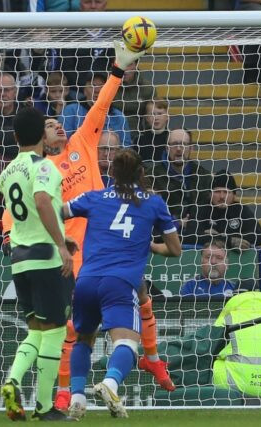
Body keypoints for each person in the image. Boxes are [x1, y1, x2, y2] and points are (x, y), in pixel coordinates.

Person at [2, 43, 175, 410]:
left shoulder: (82, 142)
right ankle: (66, 393)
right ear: (41, 140)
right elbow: (19, 210)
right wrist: (7, 234)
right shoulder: (42, 169)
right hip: (74, 255)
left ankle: (152, 357)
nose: (58, 126)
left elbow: (100, 107)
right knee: (74, 331)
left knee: (142, 294)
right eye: (50, 125)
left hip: (108, 243)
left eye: (58, 121)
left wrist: (117, 70)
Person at [64, 148, 182, 420]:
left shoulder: (93, 197)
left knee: (83, 339)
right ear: (142, 173)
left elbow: (57, 211)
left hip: (86, 280)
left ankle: (77, 400)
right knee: (127, 344)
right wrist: (151, 244)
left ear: (111, 173)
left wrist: (62, 241)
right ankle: (110, 383)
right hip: (119, 283)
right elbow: (175, 250)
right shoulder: (154, 202)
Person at [0, 107, 74, 422]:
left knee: (36, 331)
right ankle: (45, 407)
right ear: (43, 135)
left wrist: (61, 237)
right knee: (55, 331)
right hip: (46, 258)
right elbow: (42, 201)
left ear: (14, 137)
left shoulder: (7, 173)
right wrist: (60, 244)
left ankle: (13, 380)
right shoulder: (45, 168)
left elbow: (26, 214)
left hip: (20, 260)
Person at [147, 128, 213, 234]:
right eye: (174, 144)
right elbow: (147, 212)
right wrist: (177, 223)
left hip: (196, 234)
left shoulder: (204, 176)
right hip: (163, 235)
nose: (178, 148)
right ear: (167, 148)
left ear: (191, 148)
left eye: (183, 144)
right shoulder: (151, 176)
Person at [186, 171, 261, 249]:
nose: (222, 196)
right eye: (217, 192)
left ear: (234, 195)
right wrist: (229, 241)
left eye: (226, 192)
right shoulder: (200, 208)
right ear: (210, 194)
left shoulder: (241, 209)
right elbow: (189, 237)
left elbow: (259, 237)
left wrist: (219, 236)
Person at [62, 72, 132, 147]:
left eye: (102, 86)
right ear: (85, 91)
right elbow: (63, 143)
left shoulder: (118, 117)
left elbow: (126, 148)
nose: (97, 90)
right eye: (93, 85)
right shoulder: (70, 112)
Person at [112, 62, 154, 135]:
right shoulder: (106, 87)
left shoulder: (147, 88)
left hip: (138, 137)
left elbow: (152, 117)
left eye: (128, 64)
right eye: (120, 64)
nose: (124, 69)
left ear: (136, 65)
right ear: (113, 65)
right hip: (111, 136)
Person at [135, 98, 169, 164]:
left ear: (167, 116)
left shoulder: (171, 139)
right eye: (152, 114)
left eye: (159, 114)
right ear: (147, 118)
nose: (156, 118)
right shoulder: (139, 140)